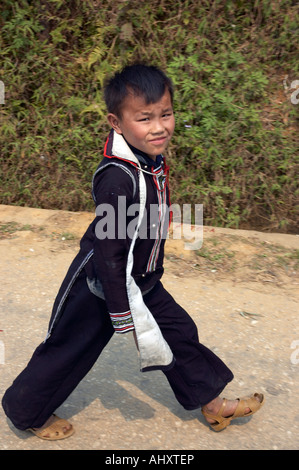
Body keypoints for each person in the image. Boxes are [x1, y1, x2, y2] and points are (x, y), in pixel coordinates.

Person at [2, 64, 264, 440]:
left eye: (166, 114)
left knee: (178, 333)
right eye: (145, 118)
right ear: (117, 122)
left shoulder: (150, 162)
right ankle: (24, 410)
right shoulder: (117, 176)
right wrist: (120, 308)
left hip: (141, 280)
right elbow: (109, 249)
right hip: (100, 285)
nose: (159, 126)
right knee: (68, 349)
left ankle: (212, 403)